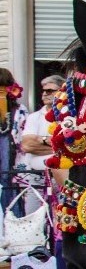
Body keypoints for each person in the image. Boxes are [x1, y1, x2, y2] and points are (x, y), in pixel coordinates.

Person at [18, 75, 64, 211]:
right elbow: (27, 145)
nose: (45, 94)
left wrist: (39, 139)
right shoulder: (34, 117)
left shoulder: (68, 117)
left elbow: (70, 147)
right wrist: (53, 143)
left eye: (50, 91)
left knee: (60, 220)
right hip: (35, 177)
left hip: (60, 178)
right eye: (44, 90)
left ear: (61, 92)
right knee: (32, 219)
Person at [0, 69, 28, 217]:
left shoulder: (19, 111)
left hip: (12, 159)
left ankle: (11, 219)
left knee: (7, 182)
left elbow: (22, 138)